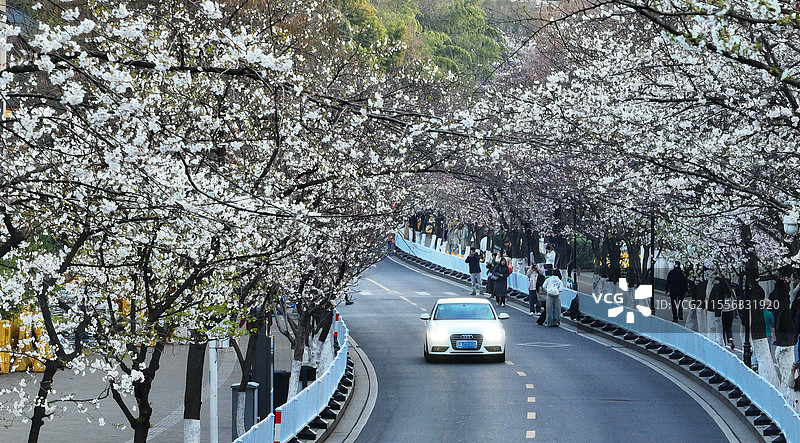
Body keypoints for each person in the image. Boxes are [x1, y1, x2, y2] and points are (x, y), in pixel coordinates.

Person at [721, 285, 736, 349]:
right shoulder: (732, 291)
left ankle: (723, 342)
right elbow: (735, 300)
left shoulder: (721, 291)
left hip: (723, 311)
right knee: (729, 327)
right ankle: (730, 338)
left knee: (723, 328)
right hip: (731, 311)